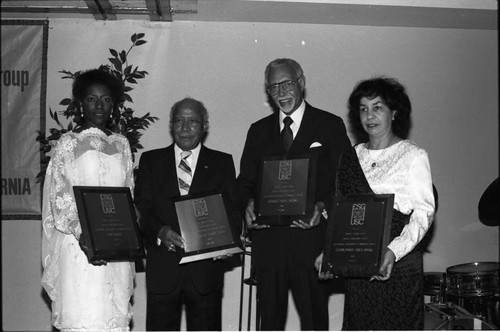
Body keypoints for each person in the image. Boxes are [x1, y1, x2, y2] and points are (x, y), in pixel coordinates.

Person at [237, 58, 352, 330]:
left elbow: (346, 182)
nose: (281, 92)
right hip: (269, 246)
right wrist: (248, 203)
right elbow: (244, 182)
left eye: (287, 83)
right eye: (273, 87)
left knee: (314, 323)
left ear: (301, 82)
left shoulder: (329, 125)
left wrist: (323, 208)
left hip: (311, 246)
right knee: (270, 325)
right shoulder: (258, 130)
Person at [316, 77, 435, 330]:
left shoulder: (413, 155)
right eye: (363, 108)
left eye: (377, 107)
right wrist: (330, 254)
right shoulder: (350, 157)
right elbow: (342, 214)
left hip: (399, 266)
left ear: (394, 112)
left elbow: (424, 213)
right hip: (360, 268)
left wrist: (393, 251)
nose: (369, 116)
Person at [41, 69, 136, 331]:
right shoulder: (68, 143)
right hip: (80, 248)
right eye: (92, 99)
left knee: (112, 320)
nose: (99, 105)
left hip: (115, 248)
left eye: (106, 99)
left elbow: (127, 195)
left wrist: (127, 231)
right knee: (85, 317)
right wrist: (86, 237)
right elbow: (60, 198)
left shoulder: (122, 144)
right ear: (81, 103)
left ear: (113, 105)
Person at [134, 97, 239, 331]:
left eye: (193, 121)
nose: (185, 128)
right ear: (171, 125)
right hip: (163, 269)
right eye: (179, 121)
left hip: (205, 273)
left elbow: (232, 211)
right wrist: (160, 231)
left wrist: (226, 243)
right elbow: (142, 209)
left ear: (205, 126)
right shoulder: (151, 161)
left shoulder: (222, 162)